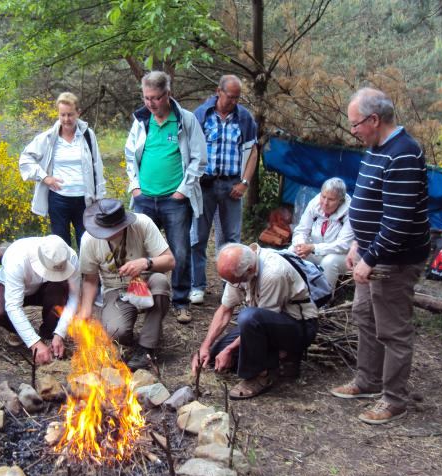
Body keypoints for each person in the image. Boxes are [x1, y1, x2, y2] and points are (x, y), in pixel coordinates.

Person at [330, 88, 430, 425]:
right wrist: (357, 244)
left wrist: (371, 258)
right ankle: (368, 380)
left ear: (374, 119)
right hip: (371, 250)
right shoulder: (376, 148)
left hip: (394, 258)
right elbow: (368, 203)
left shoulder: (404, 153)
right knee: (364, 315)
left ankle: (394, 398)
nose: (353, 131)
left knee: (392, 329)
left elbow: (398, 220)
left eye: (355, 124)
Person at [125, 71, 206, 324]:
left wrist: (183, 190)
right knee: (138, 250)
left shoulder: (186, 120)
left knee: (179, 251)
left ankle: (181, 301)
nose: (151, 103)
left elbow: (199, 159)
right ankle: (141, 296)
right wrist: (135, 187)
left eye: (156, 98)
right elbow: (130, 155)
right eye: (147, 98)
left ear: (168, 94)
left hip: (175, 200)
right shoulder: (141, 120)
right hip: (144, 198)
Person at [191, 243, 318, 400]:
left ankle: (260, 375)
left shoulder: (273, 273)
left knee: (248, 317)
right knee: (214, 357)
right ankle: (279, 358)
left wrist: (229, 350)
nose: (234, 284)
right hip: (264, 323)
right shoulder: (239, 268)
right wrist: (205, 347)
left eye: (235, 281)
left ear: (250, 270)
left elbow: (260, 322)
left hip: (299, 328)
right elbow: (225, 310)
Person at [78, 199, 176, 371]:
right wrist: (85, 309)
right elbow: (90, 279)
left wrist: (145, 263)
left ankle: (146, 348)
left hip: (146, 281)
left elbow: (170, 261)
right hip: (115, 288)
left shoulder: (143, 224)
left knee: (160, 283)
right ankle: (128, 335)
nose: (105, 234)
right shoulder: (88, 239)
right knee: (116, 332)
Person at [189, 75, 258, 305]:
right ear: (218, 91)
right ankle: (197, 286)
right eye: (230, 96)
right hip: (204, 185)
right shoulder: (201, 115)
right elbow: (187, 148)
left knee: (231, 239)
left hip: (232, 185)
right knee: (198, 237)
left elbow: (253, 152)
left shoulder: (244, 118)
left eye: (237, 97)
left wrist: (244, 183)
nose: (234, 101)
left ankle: (230, 285)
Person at [19, 92, 105, 248]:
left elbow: (97, 165)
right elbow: (25, 159)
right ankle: (65, 266)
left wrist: (99, 196)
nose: (66, 119)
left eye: (70, 114)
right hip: (59, 199)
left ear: (78, 113)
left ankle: (85, 265)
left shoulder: (87, 135)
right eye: (62, 115)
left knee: (87, 243)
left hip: (84, 200)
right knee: (60, 245)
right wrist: (45, 177)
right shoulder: (49, 137)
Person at [0, 235, 79, 365]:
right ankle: (18, 332)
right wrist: (34, 342)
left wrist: (60, 333)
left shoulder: (69, 256)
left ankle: (49, 333)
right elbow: (13, 306)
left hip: (45, 289)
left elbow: (74, 296)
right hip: (11, 289)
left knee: (59, 288)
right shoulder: (17, 259)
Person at [289, 177, 354, 289]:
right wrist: (300, 245)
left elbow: (343, 245)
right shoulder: (314, 203)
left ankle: (324, 297)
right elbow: (301, 230)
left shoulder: (351, 211)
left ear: (341, 200)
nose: (325, 203)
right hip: (317, 250)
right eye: (323, 196)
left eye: (331, 199)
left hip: (344, 256)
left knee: (329, 262)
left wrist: (313, 248)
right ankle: (296, 291)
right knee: (292, 251)